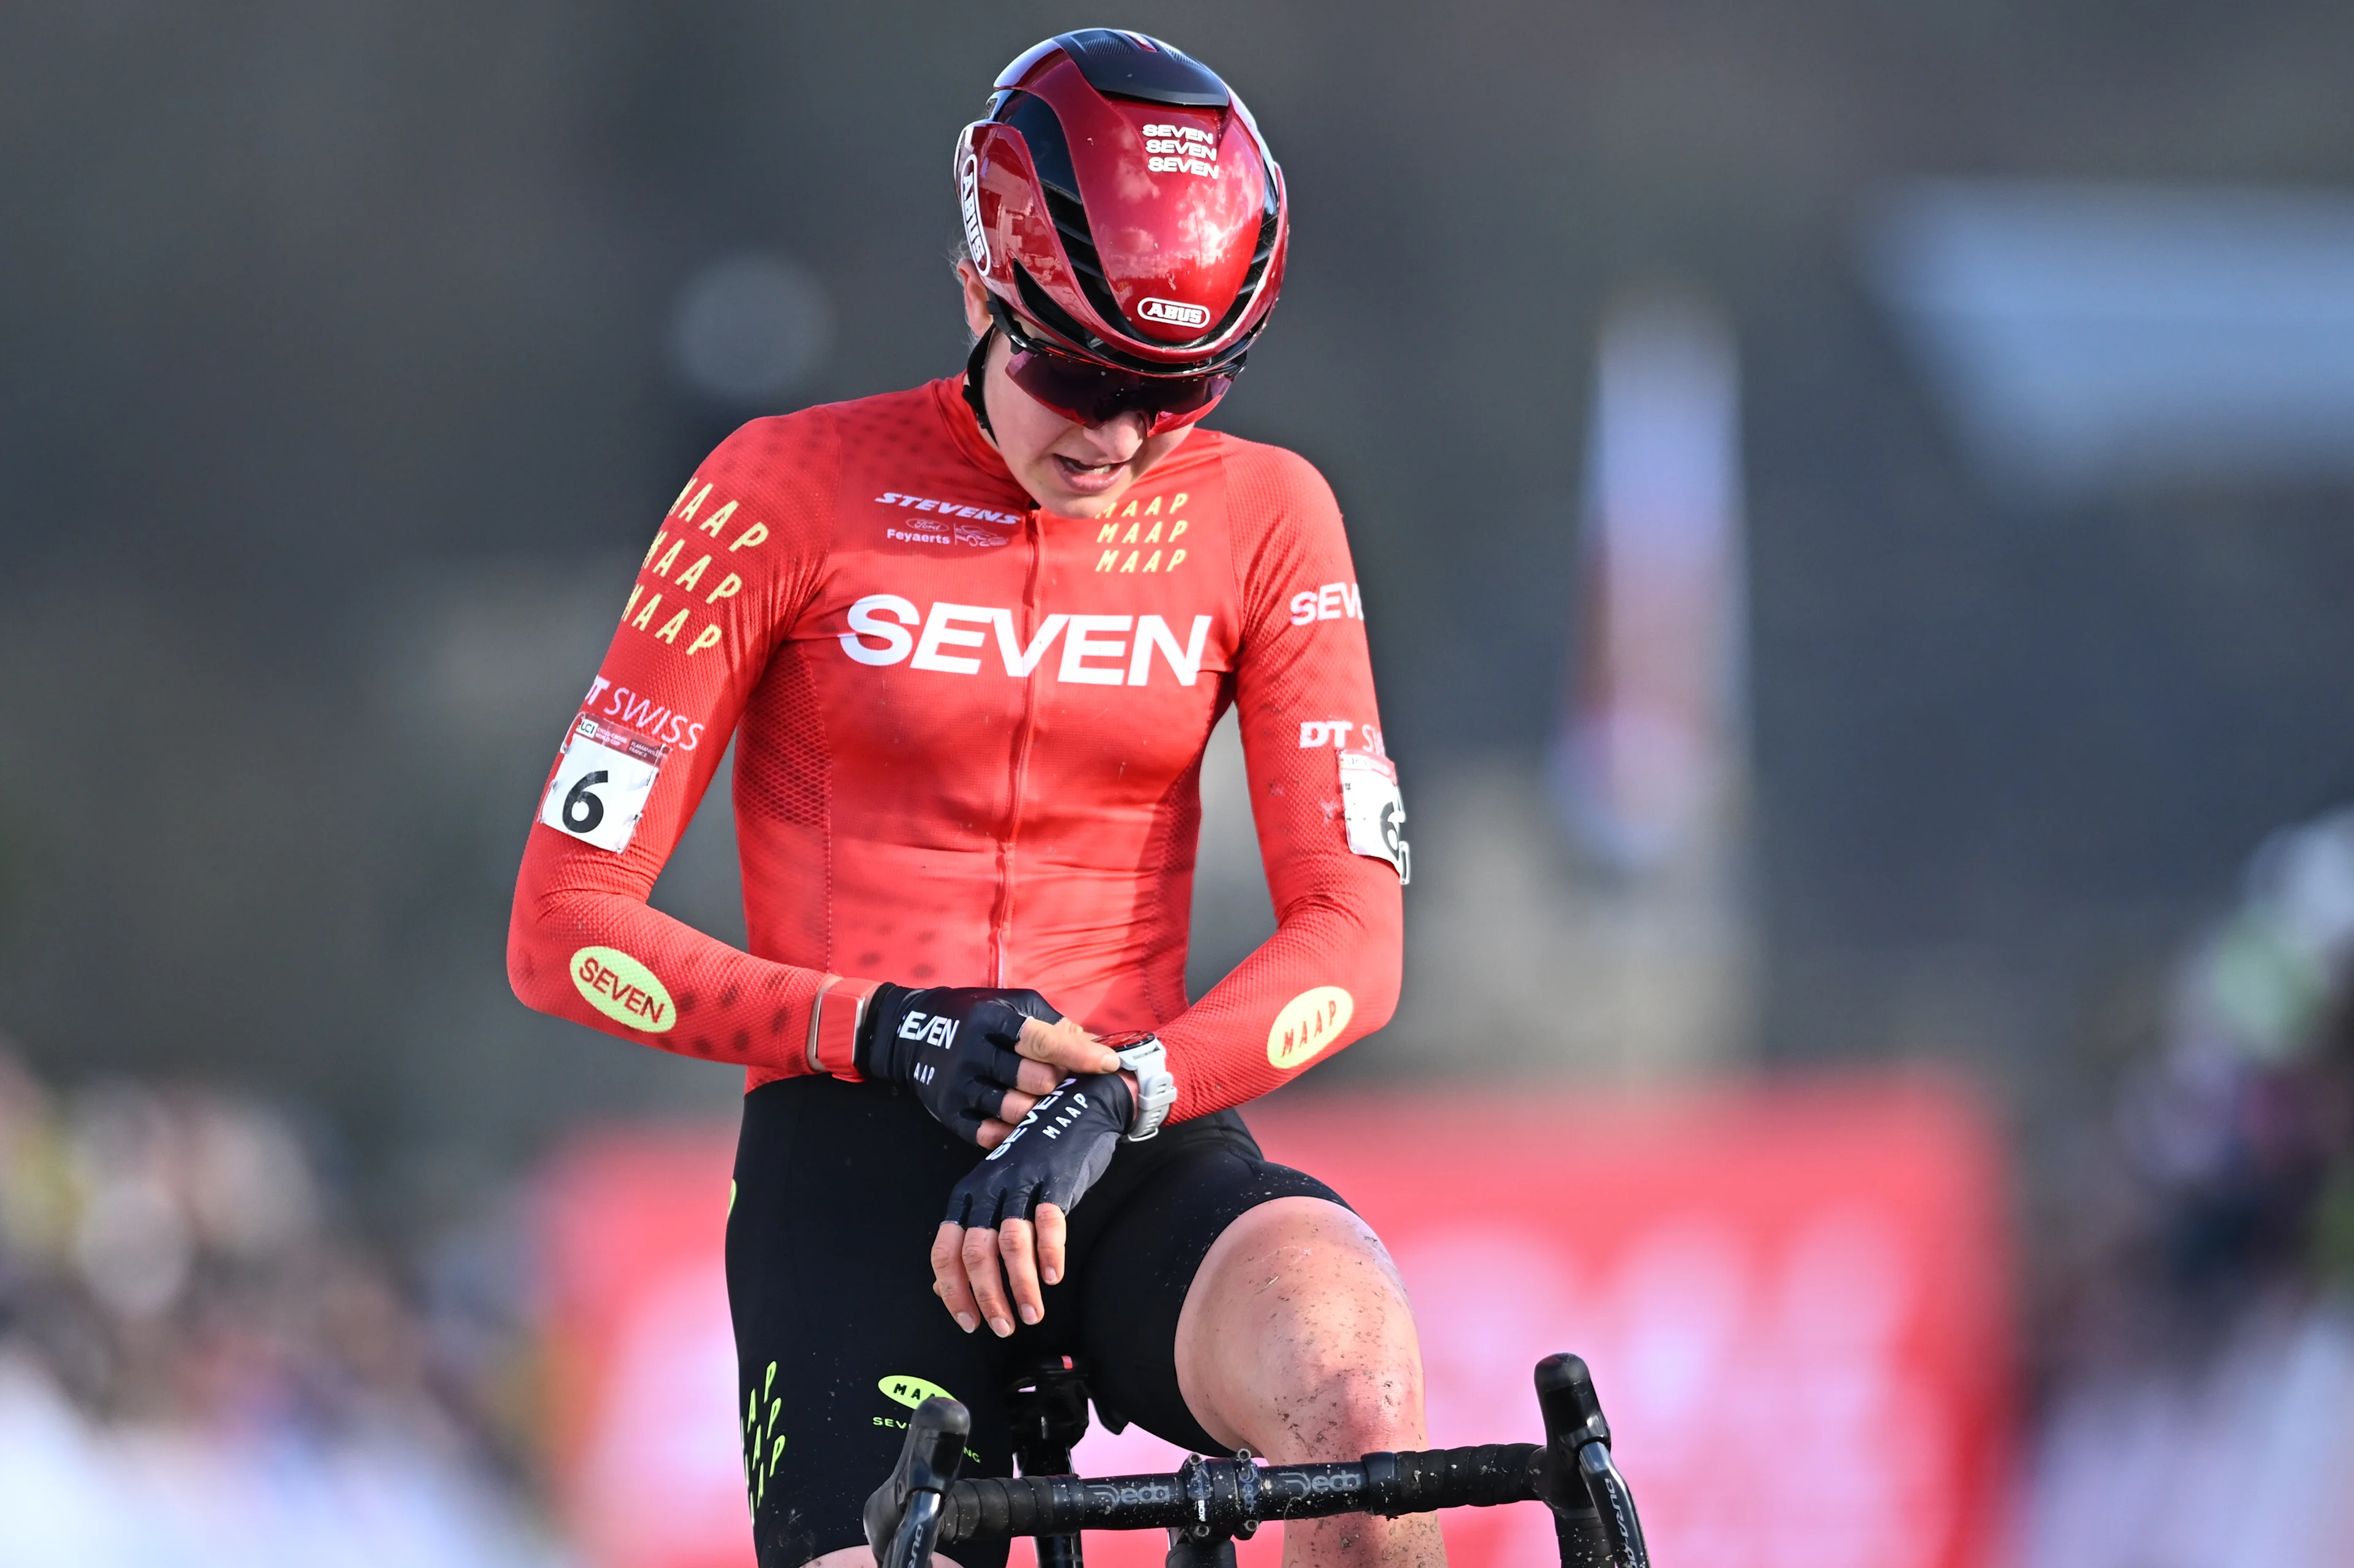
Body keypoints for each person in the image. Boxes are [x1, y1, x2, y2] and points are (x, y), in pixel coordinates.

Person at [508, 29, 1432, 1568]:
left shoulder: (1270, 516)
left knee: (1357, 1407)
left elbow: (1358, 935)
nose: (1118, 437)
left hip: (1123, 1129)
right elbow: (562, 927)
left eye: (1175, 390)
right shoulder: (777, 489)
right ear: (977, 292)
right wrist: (894, 1030)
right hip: (854, 1153)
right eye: (1076, 374)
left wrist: (1120, 1094)